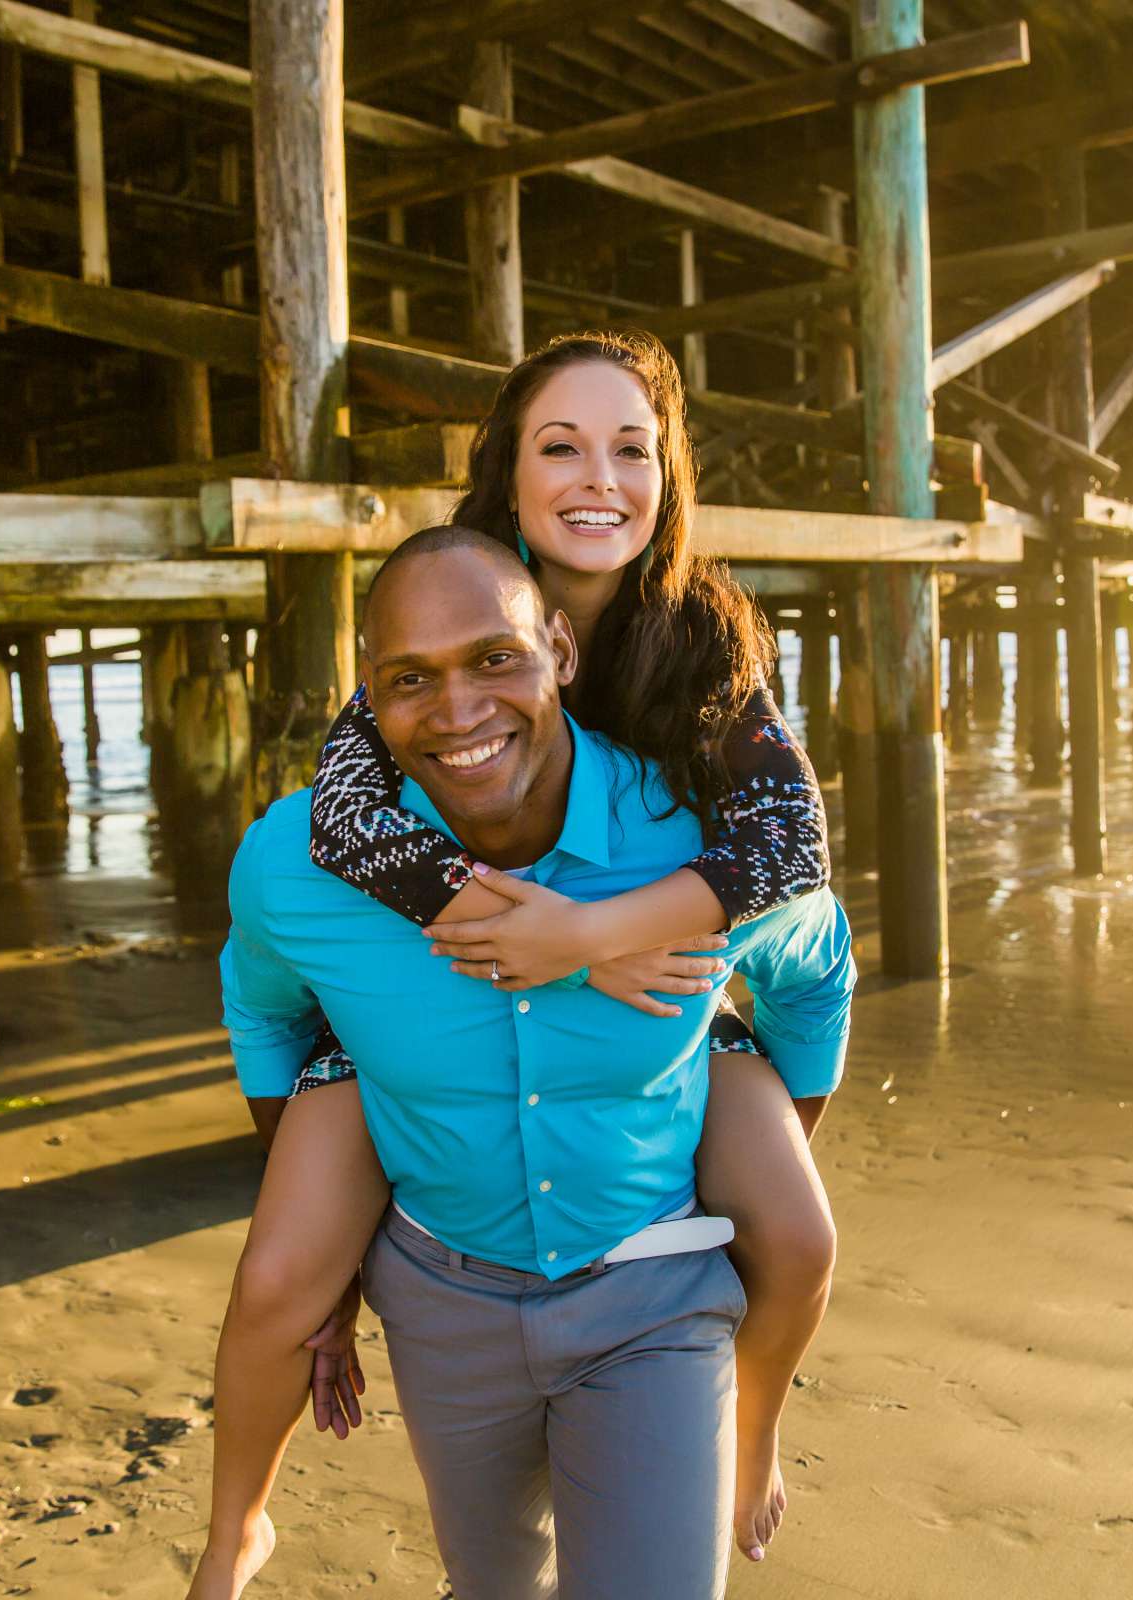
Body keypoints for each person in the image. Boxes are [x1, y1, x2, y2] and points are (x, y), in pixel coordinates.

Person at [186, 332, 841, 1597]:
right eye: (561, 445)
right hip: (460, 967)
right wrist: (516, 930)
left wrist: (596, 936)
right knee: (280, 1272)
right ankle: (235, 1530)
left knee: (800, 1230)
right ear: (506, 474)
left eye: (631, 448)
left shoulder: (705, 639)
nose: (600, 477)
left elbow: (792, 845)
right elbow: (345, 824)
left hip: (656, 951)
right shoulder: (442, 610)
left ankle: (751, 1428)